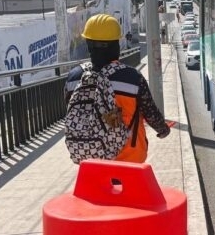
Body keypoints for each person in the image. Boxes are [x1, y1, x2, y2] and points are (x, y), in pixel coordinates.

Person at [65, 14, 170, 163]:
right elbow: (150, 112)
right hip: (129, 159)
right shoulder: (132, 78)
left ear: (88, 45)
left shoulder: (74, 78)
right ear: (116, 46)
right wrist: (163, 130)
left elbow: (70, 112)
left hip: (91, 160)